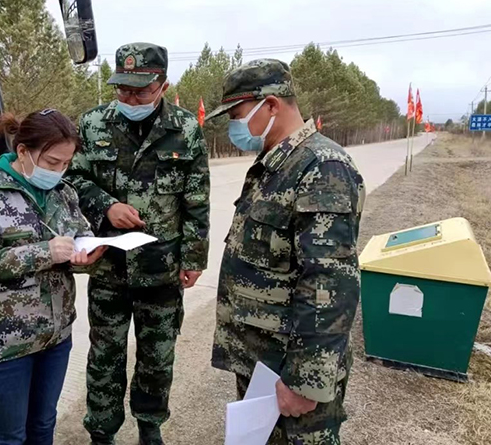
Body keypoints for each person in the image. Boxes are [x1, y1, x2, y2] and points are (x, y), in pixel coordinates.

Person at [207, 59, 365, 445]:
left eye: (237, 115)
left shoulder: (322, 168)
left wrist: (306, 380)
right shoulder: (276, 165)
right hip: (265, 364)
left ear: (272, 105)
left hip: (291, 368)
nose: (233, 127)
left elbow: (330, 284)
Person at [66, 42, 210, 445]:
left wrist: (194, 258)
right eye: (123, 90)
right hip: (109, 266)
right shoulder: (93, 123)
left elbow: (196, 200)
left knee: (157, 356)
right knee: (104, 356)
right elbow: (72, 179)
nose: (129, 99)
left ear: (163, 85)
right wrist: (106, 205)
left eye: (140, 91)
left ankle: (150, 427)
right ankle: (102, 432)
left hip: (161, 267)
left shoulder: (186, 129)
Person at [0, 109, 106, 445]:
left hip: (54, 336)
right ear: (23, 151)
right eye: (52, 162)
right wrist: (44, 252)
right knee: (8, 437)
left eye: (66, 163)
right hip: (3, 343)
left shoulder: (64, 193)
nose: (59, 171)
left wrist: (86, 256)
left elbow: (79, 237)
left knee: (42, 426)